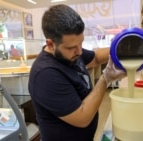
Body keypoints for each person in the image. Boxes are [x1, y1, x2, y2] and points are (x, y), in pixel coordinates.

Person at [28, 4, 126, 141]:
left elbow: (96, 57)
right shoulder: (46, 74)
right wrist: (105, 78)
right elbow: (82, 117)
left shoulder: (70, 52)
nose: (79, 51)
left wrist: (121, 48)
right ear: (50, 44)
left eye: (81, 43)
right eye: (72, 47)